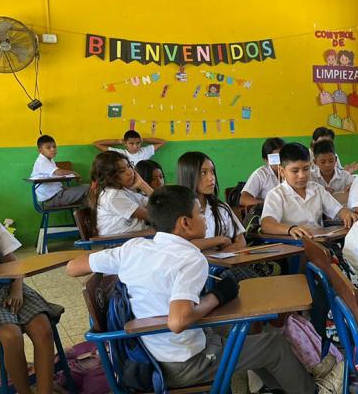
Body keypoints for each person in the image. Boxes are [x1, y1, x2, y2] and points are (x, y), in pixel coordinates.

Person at [65, 185, 322, 392]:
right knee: (272, 344)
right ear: (185, 223)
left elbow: (73, 267)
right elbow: (179, 321)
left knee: (246, 331)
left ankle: (280, 385)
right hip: (180, 364)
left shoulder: (135, 248)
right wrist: (216, 297)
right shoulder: (190, 259)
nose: (203, 218)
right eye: (199, 213)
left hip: (148, 351)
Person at [0, 191, 63, 394]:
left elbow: (14, 264)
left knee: (42, 328)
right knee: (10, 336)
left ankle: (45, 391)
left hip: (9, 286)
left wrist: (17, 290)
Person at [260, 143, 358, 239]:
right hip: (294, 245)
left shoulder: (317, 189)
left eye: (306, 169)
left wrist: (346, 213)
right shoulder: (276, 195)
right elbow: (266, 224)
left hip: (320, 242)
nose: (302, 175)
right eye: (295, 171)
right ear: (282, 171)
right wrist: (290, 229)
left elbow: (337, 210)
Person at [89, 151, 153, 236]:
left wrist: (142, 184)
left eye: (129, 166)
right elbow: (152, 216)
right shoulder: (113, 196)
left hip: (134, 237)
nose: (130, 172)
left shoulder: (123, 191)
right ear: (109, 176)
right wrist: (143, 185)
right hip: (120, 241)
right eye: (122, 171)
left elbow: (158, 204)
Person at [30, 135, 89, 207]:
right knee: (87, 188)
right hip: (53, 198)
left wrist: (66, 188)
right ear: (40, 151)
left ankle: (86, 217)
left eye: (54, 147)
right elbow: (58, 172)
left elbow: (54, 179)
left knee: (88, 199)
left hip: (57, 194)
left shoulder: (49, 160)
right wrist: (75, 173)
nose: (53, 149)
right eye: (48, 147)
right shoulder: (42, 162)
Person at [239, 137, 284, 208]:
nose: (281, 161)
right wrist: (269, 204)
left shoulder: (292, 171)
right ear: (266, 160)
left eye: (283, 156)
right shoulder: (260, 174)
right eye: (275, 158)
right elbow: (243, 199)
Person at [93, 130, 166, 165]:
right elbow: (97, 144)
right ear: (125, 143)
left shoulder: (145, 151)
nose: (135, 146)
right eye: (131, 143)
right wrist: (118, 141)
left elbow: (162, 142)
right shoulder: (120, 153)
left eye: (138, 143)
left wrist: (144, 139)